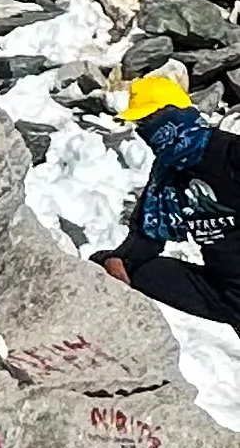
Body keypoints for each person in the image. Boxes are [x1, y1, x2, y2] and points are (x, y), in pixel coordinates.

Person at [92, 76, 240, 336]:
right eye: (139, 123)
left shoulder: (230, 153)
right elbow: (146, 237)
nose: (144, 130)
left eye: (149, 119)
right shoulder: (167, 174)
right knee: (121, 266)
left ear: (173, 115)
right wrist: (116, 262)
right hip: (224, 292)